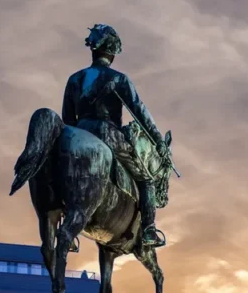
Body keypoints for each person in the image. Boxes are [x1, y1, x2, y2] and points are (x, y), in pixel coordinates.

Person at [62, 24, 170, 247]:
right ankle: (149, 230)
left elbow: (67, 120)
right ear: (112, 52)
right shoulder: (120, 80)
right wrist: (159, 140)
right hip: (108, 133)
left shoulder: (74, 79)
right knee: (146, 178)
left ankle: (66, 222)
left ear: (93, 50)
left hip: (78, 132)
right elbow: (139, 111)